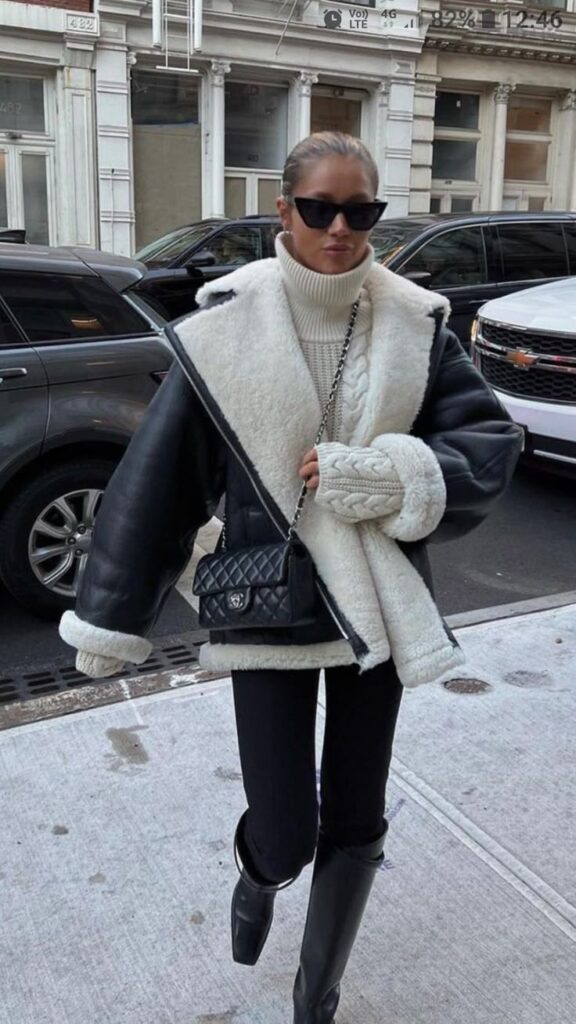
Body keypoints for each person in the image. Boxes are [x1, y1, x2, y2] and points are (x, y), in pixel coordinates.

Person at [59, 132, 523, 1022]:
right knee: (287, 826)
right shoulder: (228, 323)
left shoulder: (412, 320)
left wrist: (384, 476)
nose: (340, 229)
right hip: (265, 601)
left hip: (375, 608)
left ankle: (319, 997)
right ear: (286, 212)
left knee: (359, 816)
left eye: (362, 212)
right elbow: (157, 483)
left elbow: (487, 443)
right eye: (320, 209)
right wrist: (110, 618)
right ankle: (259, 867)